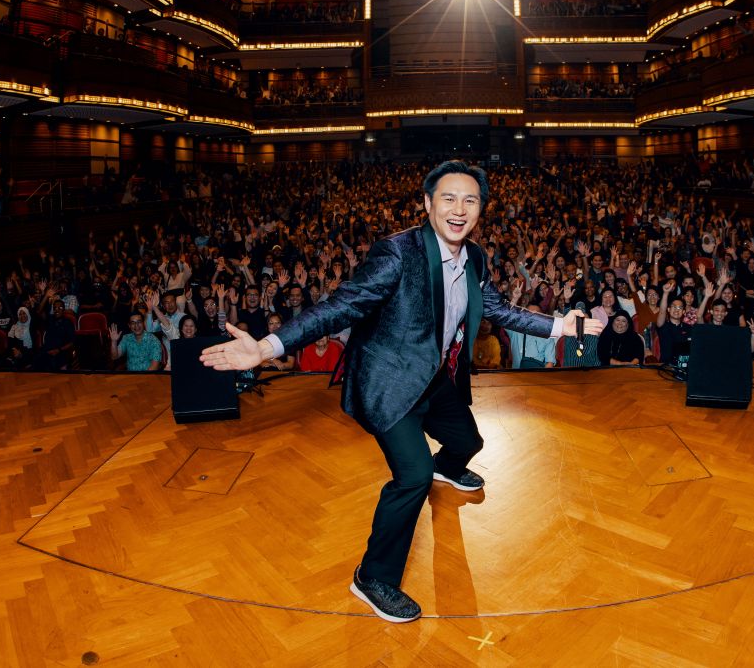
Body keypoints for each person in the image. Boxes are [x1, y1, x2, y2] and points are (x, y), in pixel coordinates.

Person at [200, 160, 601, 624]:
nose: (459, 208)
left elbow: (495, 307)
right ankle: (372, 579)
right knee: (411, 477)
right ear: (428, 203)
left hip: (434, 377)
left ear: (480, 211)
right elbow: (342, 305)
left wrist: (557, 325)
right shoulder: (397, 253)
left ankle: (445, 470)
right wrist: (268, 346)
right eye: (448, 198)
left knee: (469, 442)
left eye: (470, 200)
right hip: (389, 383)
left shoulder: (477, 258)